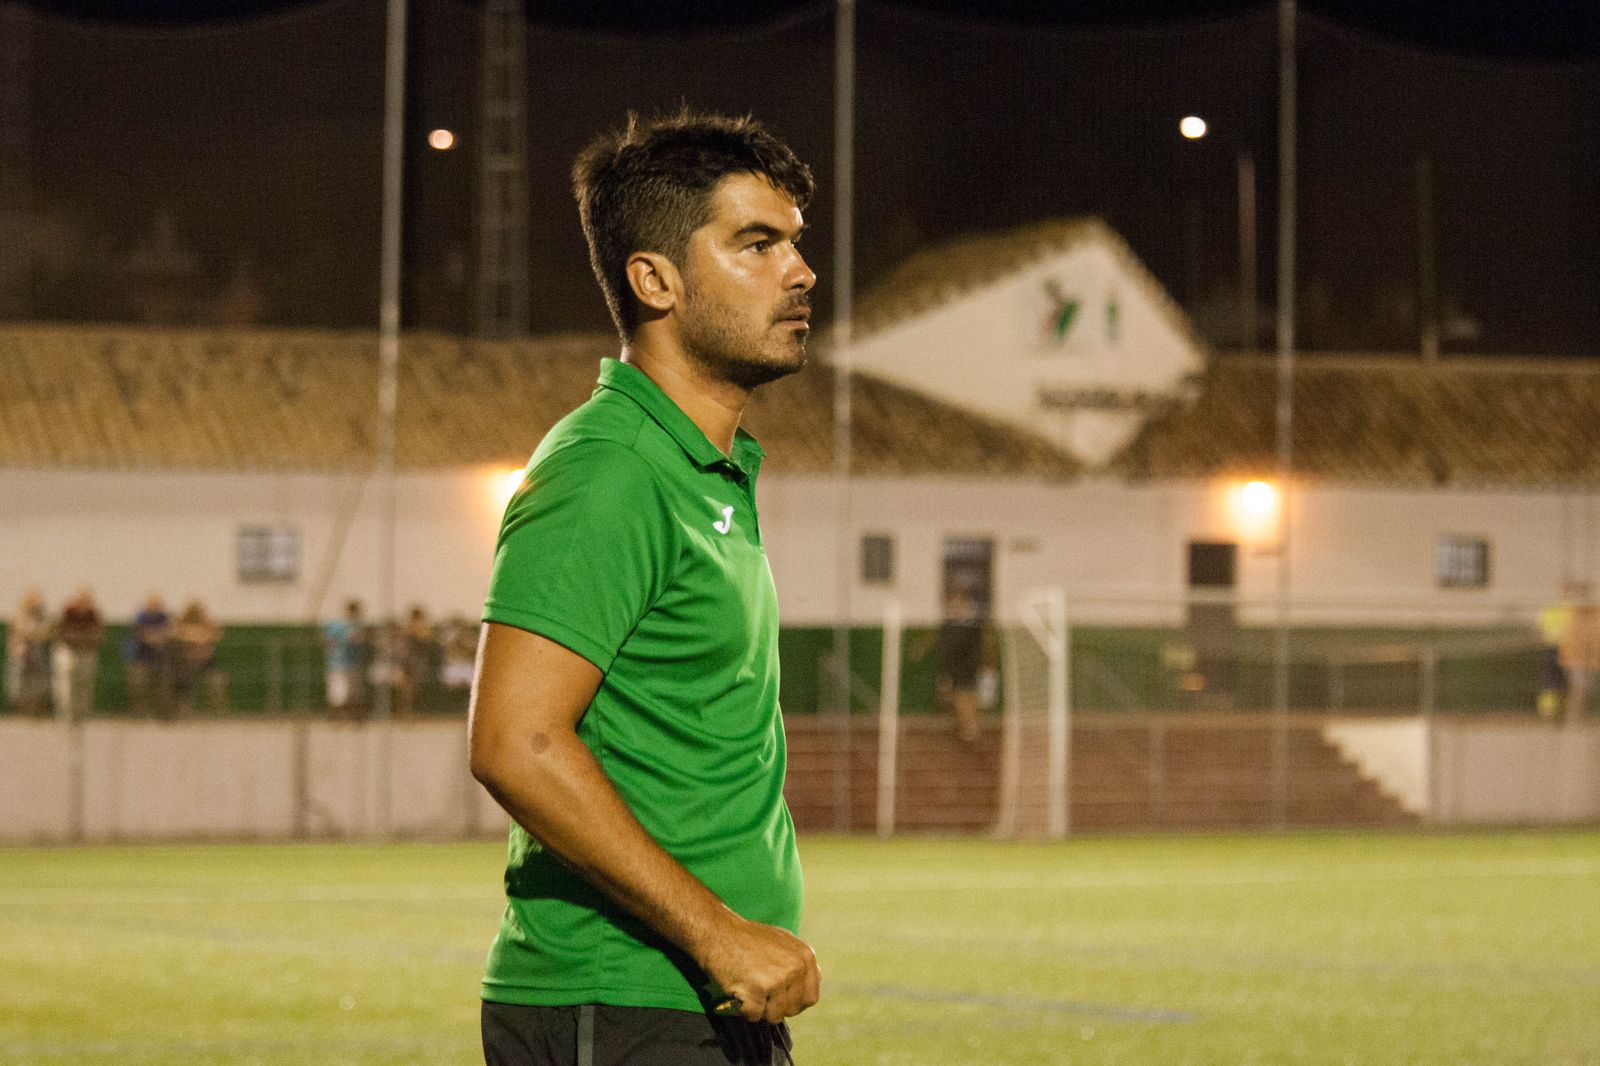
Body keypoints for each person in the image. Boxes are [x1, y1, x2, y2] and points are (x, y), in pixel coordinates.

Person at [468, 111, 820, 1066]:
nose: (800, 271)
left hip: (698, 1004)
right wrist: (717, 934)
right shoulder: (610, 469)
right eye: (756, 243)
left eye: (795, 242)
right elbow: (514, 740)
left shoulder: (703, 470)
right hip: (620, 1008)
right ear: (654, 279)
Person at [51, 588, 104, 721]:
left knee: (85, 683)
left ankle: (82, 713)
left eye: (87, 600)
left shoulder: (93, 614)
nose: (84, 603)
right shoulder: (66, 612)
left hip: (86, 652)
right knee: (65, 684)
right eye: (81, 600)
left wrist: (89, 638)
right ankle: (65, 713)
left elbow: (99, 634)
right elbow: (56, 632)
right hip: (67, 651)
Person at [124, 592, 174, 717]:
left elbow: (169, 633)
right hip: (140, 657)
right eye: (151, 604)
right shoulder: (140, 616)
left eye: (156, 604)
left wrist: (154, 637)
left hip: (161, 658)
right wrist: (154, 637)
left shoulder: (165, 617)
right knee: (137, 682)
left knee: (165, 683)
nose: (154, 606)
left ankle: (163, 713)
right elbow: (138, 633)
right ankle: (138, 711)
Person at [172, 599, 225, 715]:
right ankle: (184, 709)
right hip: (185, 662)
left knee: (217, 680)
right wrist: (199, 636)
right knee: (182, 680)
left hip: (207, 661)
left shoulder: (208, 623)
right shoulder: (181, 622)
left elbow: (217, 634)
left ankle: (217, 710)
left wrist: (193, 635)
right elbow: (175, 633)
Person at [6, 590, 52, 716]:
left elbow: (45, 633)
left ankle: (38, 708)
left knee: (40, 681)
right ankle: (23, 708)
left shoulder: (42, 618)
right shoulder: (19, 617)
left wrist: (33, 635)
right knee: (21, 681)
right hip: (23, 654)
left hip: (38, 653)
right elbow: (18, 633)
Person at [322, 599, 368, 719]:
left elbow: (360, 640)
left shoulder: (359, 626)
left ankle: (355, 717)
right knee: (336, 693)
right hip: (337, 664)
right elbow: (327, 642)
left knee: (354, 692)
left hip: (353, 664)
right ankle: (335, 717)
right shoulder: (337, 626)